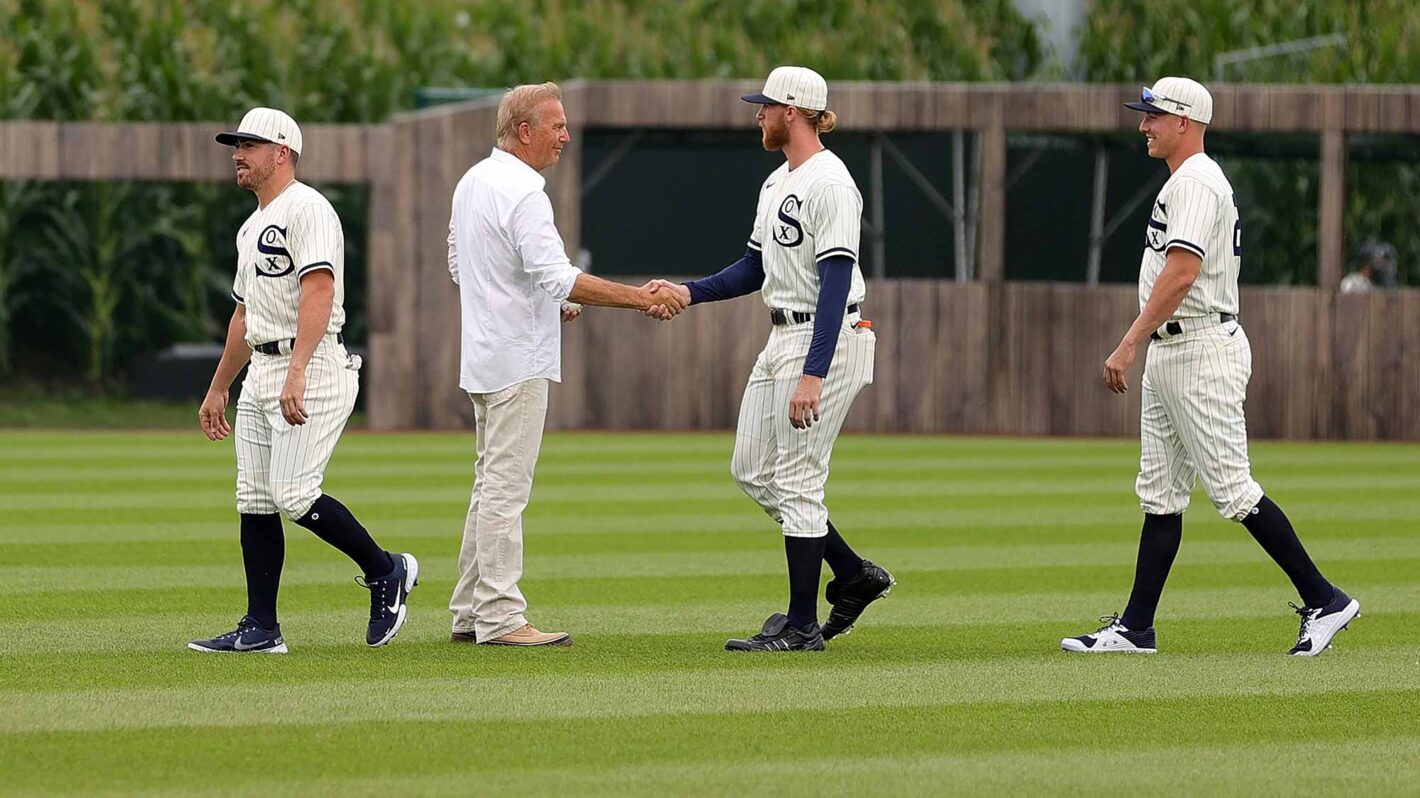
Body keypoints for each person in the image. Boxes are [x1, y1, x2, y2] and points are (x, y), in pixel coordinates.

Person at [1061, 78, 1360, 657]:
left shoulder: (1196, 181)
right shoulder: (1185, 181)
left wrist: (1126, 344)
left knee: (1233, 490)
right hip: (1173, 352)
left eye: (1154, 116)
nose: (1144, 125)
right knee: (1161, 494)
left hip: (1200, 348)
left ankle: (1325, 599)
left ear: (1185, 122)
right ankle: (1136, 628)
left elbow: (1181, 272)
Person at [648, 66, 893, 652]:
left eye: (766, 105)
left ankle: (803, 624)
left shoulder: (831, 183)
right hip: (782, 335)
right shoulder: (776, 182)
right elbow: (754, 268)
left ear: (794, 111)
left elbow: (835, 282)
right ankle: (854, 576)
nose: (757, 113)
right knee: (752, 470)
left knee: (799, 479)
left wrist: (814, 371)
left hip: (824, 338)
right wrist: (689, 291)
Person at [446, 82, 687, 647]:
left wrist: (544, 301)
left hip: (483, 356)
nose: (566, 136)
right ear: (524, 131)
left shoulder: (472, 181)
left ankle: (468, 611)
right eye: (556, 126)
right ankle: (502, 617)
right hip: (518, 361)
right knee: (506, 490)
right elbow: (559, 275)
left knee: (488, 487)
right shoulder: (526, 192)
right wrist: (642, 297)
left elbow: (463, 266)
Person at [191, 107, 417, 654]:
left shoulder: (308, 208)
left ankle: (387, 569)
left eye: (248, 145)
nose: (237, 155)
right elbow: (245, 317)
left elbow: (319, 292)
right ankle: (261, 628)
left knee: (293, 494)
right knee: (254, 498)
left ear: (282, 153)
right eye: (235, 145)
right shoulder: (251, 225)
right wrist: (219, 385)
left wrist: (297, 370)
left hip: (311, 365)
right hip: (264, 368)